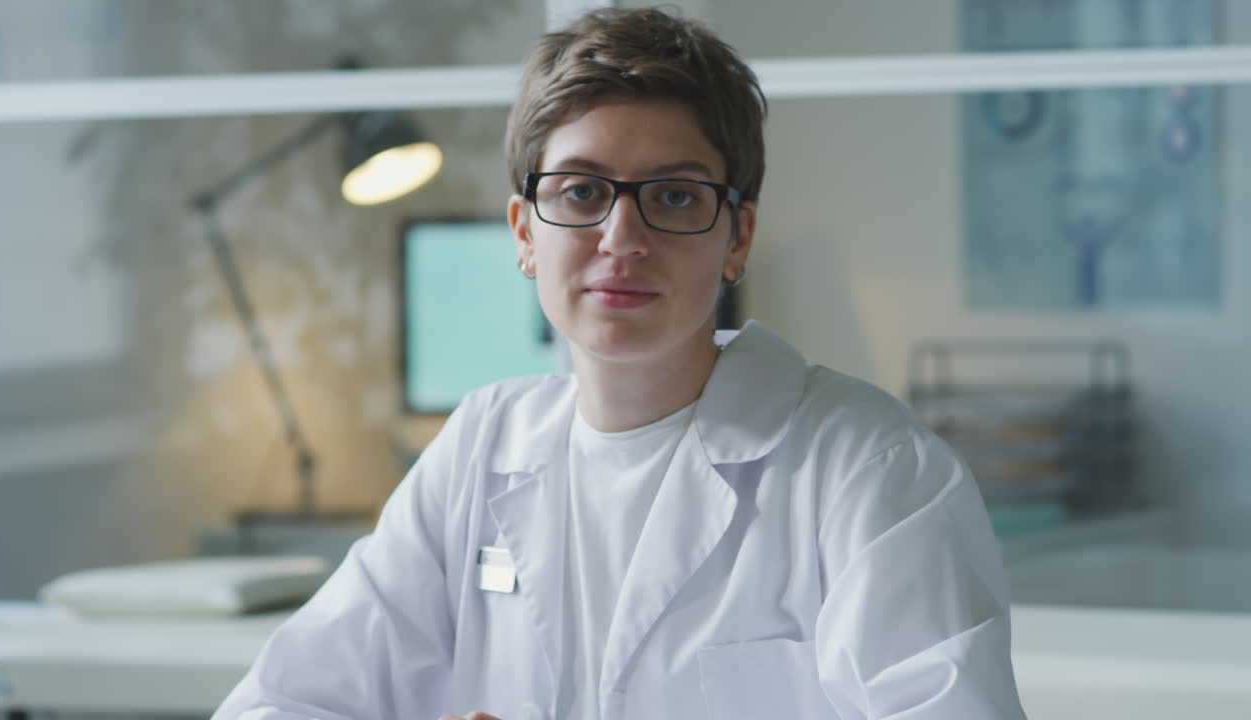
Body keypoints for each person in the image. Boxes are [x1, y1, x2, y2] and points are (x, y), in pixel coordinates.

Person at [214, 8, 1027, 720]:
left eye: (673, 196)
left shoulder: (870, 469)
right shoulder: (482, 446)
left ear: (737, 236)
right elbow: (275, 704)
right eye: (579, 192)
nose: (621, 240)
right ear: (526, 233)